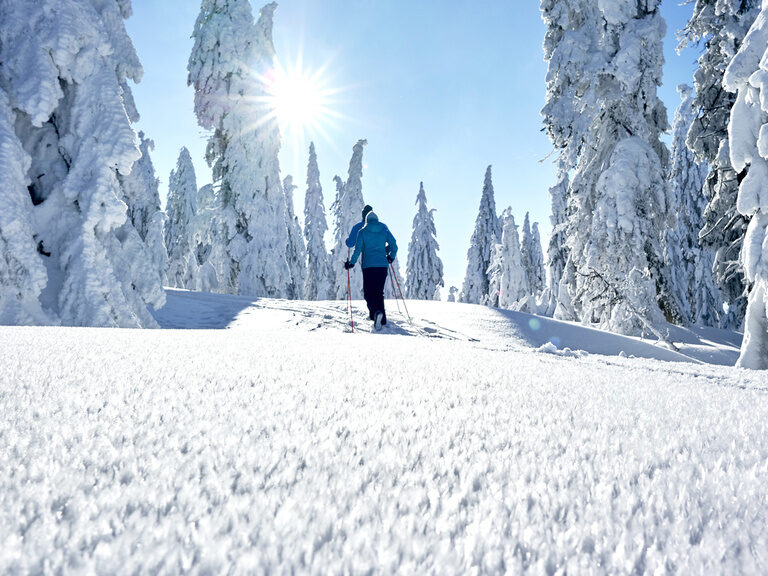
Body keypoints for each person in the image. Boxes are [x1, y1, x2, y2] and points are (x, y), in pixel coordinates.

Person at [344, 211, 398, 329]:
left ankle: (376, 314)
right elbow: (394, 244)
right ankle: (381, 319)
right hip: (382, 266)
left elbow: (358, 250)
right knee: (379, 292)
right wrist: (391, 256)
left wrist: (351, 263)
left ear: (366, 221)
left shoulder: (362, 232)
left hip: (369, 267)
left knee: (368, 293)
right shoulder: (384, 229)